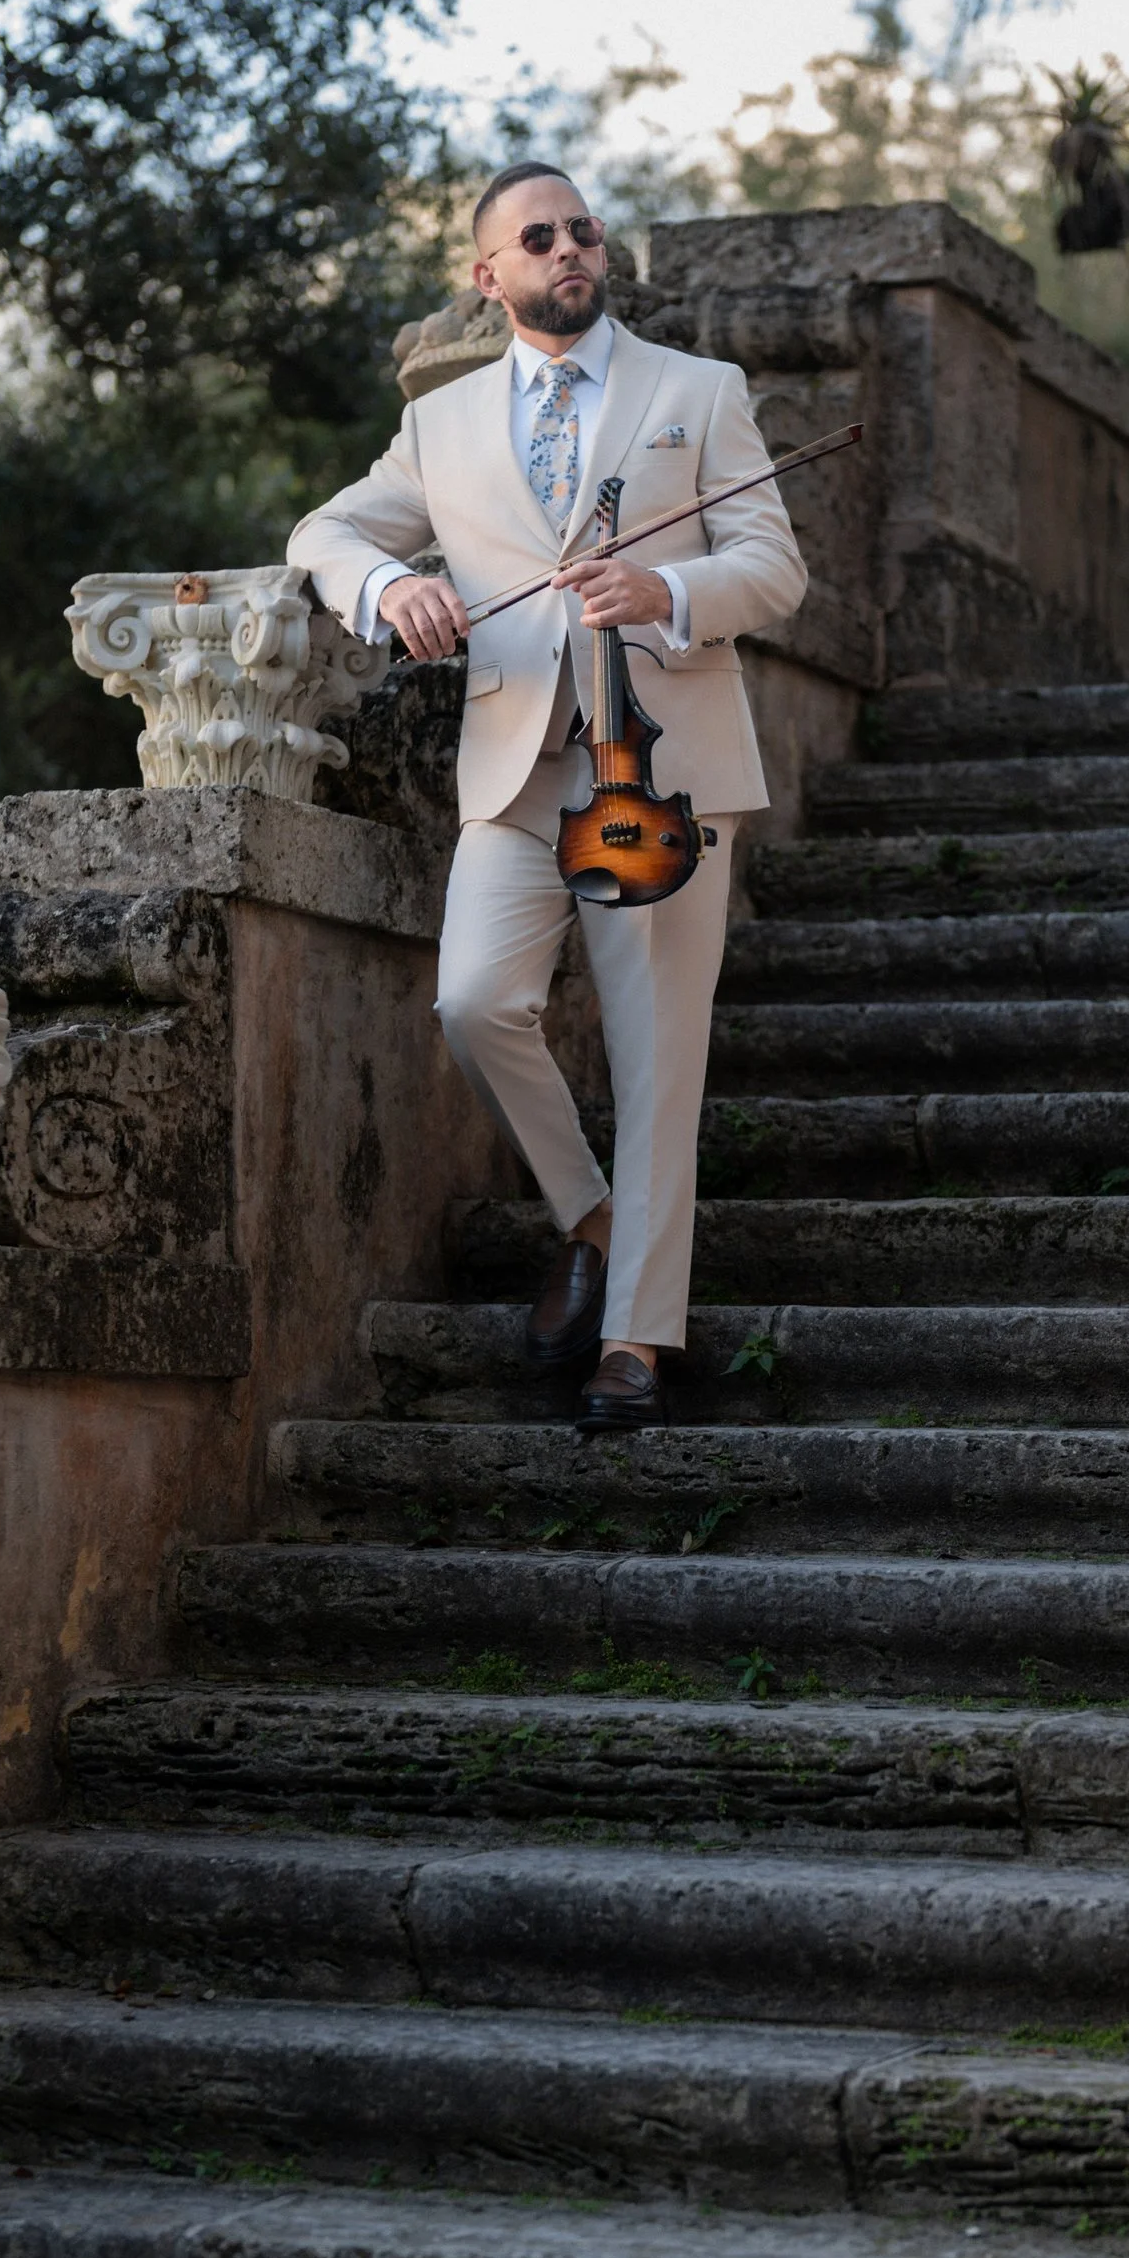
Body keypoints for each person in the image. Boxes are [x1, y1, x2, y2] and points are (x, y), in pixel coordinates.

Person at [288, 163, 808, 1427]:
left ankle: (634, 1337)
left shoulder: (700, 393)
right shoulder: (442, 427)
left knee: (655, 1058)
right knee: (474, 1002)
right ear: (490, 276)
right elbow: (322, 534)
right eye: (539, 237)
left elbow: (773, 568)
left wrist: (669, 596)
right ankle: (588, 1210)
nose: (569, 248)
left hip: (662, 768)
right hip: (519, 768)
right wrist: (383, 590)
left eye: (582, 231)